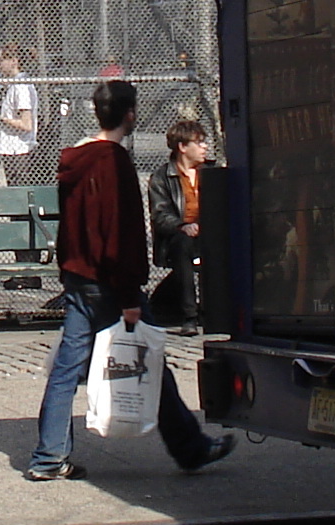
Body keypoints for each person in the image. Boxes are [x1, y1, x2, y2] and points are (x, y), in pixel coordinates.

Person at [23, 78, 235, 482]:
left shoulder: (75, 158)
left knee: (66, 370)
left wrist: (68, 271)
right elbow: (119, 231)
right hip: (110, 281)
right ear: (130, 114)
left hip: (79, 277)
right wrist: (129, 294)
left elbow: (75, 225)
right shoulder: (113, 161)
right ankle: (190, 448)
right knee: (151, 357)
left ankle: (49, 456)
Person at [146, 118, 212, 333]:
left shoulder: (212, 173)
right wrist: (183, 225)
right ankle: (190, 316)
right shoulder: (161, 178)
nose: (205, 147)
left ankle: (216, 312)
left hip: (210, 233)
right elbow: (160, 214)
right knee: (183, 245)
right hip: (178, 238)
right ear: (183, 147)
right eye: (199, 142)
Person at [0, 45, 41, 188]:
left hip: (20, 151)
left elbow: (26, 124)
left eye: (1, 59)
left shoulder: (21, 87)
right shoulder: (13, 85)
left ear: (14, 61)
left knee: (21, 194)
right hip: (11, 150)